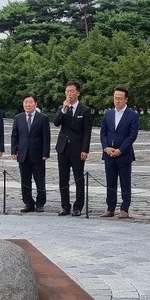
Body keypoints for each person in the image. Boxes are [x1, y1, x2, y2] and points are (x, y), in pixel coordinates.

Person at [53, 81, 93, 216]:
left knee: (78, 178)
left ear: (78, 93)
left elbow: (87, 132)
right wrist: (64, 109)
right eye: (67, 91)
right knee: (63, 178)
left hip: (77, 148)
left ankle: (78, 206)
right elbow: (56, 123)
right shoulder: (62, 108)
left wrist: (85, 149)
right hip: (63, 148)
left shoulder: (85, 110)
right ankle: (65, 206)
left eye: (72, 91)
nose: (69, 94)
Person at [99, 87, 139, 218]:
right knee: (110, 181)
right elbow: (103, 132)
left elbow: (132, 135)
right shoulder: (108, 114)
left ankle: (125, 208)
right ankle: (110, 207)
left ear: (126, 99)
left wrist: (120, 150)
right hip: (109, 154)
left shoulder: (132, 115)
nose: (117, 101)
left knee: (125, 182)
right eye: (115, 98)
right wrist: (106, 147)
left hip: (124, 154)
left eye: (120, 98)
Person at [12, 93, 51, 213]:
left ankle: (40, 203)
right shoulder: (18, 118)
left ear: (35, 103)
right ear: (23, 104)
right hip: (23, 154)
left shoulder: (43, 118)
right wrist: (14, 151)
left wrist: (46, 153)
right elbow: (15, 135)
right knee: (25, 180)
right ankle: (28, 202)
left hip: (38, 154)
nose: (28, 104)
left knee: (40, 180)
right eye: (26, 102)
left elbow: (46, 137)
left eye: (30, 102)